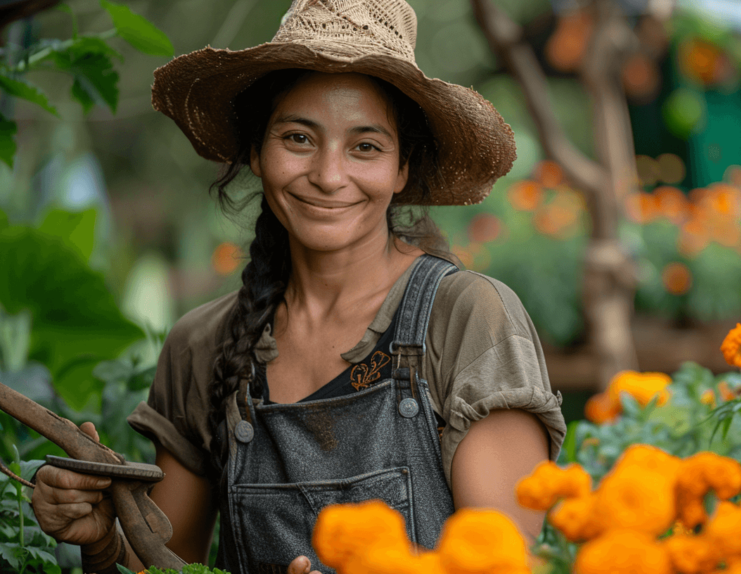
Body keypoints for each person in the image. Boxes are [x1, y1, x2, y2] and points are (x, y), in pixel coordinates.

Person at [29, 1, 567, 573]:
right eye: (298, 138)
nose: (329, 176)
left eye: (365, 146)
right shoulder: (202, 346)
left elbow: (510, 562)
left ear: (402, 168)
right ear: (257, 152)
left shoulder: (465, 318)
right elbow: (164, 566)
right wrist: (103, 544)